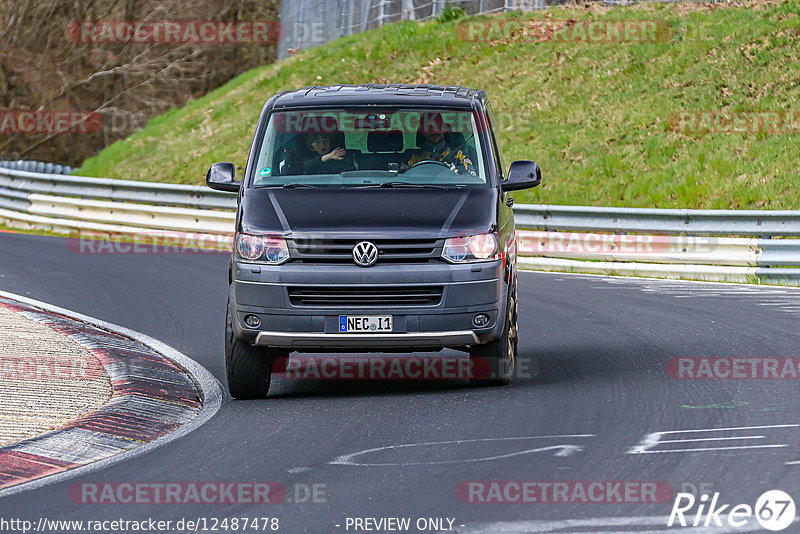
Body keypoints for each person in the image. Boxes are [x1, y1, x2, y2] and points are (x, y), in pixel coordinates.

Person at [405, 113, 476, 176]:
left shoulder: (458, 154)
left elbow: (469, 174)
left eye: (438, 126)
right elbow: (404, 178)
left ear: (445, 129)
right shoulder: (414, 157)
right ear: (422, 133)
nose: (434, 131)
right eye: (429, 128)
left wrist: (456, 173)